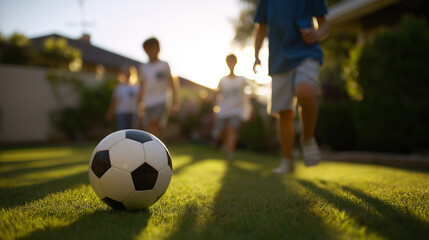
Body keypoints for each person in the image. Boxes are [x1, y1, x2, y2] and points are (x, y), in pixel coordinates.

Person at [253, 0, 329, 173]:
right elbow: (261, 28)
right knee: (284, 111)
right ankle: (287, 160)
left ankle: (307, 138)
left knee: (305, 91)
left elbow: (324, 25)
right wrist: (256, 55)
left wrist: (317, 34)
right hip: (279, 59)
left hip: (306, 52)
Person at [137, 37, 180, 139]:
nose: (150, 52)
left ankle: (151, 149)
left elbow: (172, 83)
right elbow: (142, 86)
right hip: (148, 102)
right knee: (152, 126)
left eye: (153, 49)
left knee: (154, 123)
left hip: (161, 100)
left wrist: (175, 102)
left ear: (158, 49)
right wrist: (139, 104)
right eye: (148, 50)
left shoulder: (164, 65)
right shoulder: (144, 67)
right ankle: (157, 148)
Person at [213, 54, 251, 160]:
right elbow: (218, 92)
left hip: (237, 110)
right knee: (221, 131)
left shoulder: (242, 80)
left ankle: (230, 152)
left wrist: (250, 104)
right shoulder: (223, 80)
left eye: (232, 60)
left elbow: (251, 90)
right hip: (224, 110)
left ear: (236, 62)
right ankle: (227, 144)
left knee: (232, 128)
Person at [106, 65, 139, 130]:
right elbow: (114, 101)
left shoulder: (136, 87)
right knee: (122, 130)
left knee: (133, 132)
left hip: (133, 112)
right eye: (125, 73)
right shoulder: (118, 88)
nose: (127, 74)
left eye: (129, 73)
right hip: (121, 112)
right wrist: (110, 112)